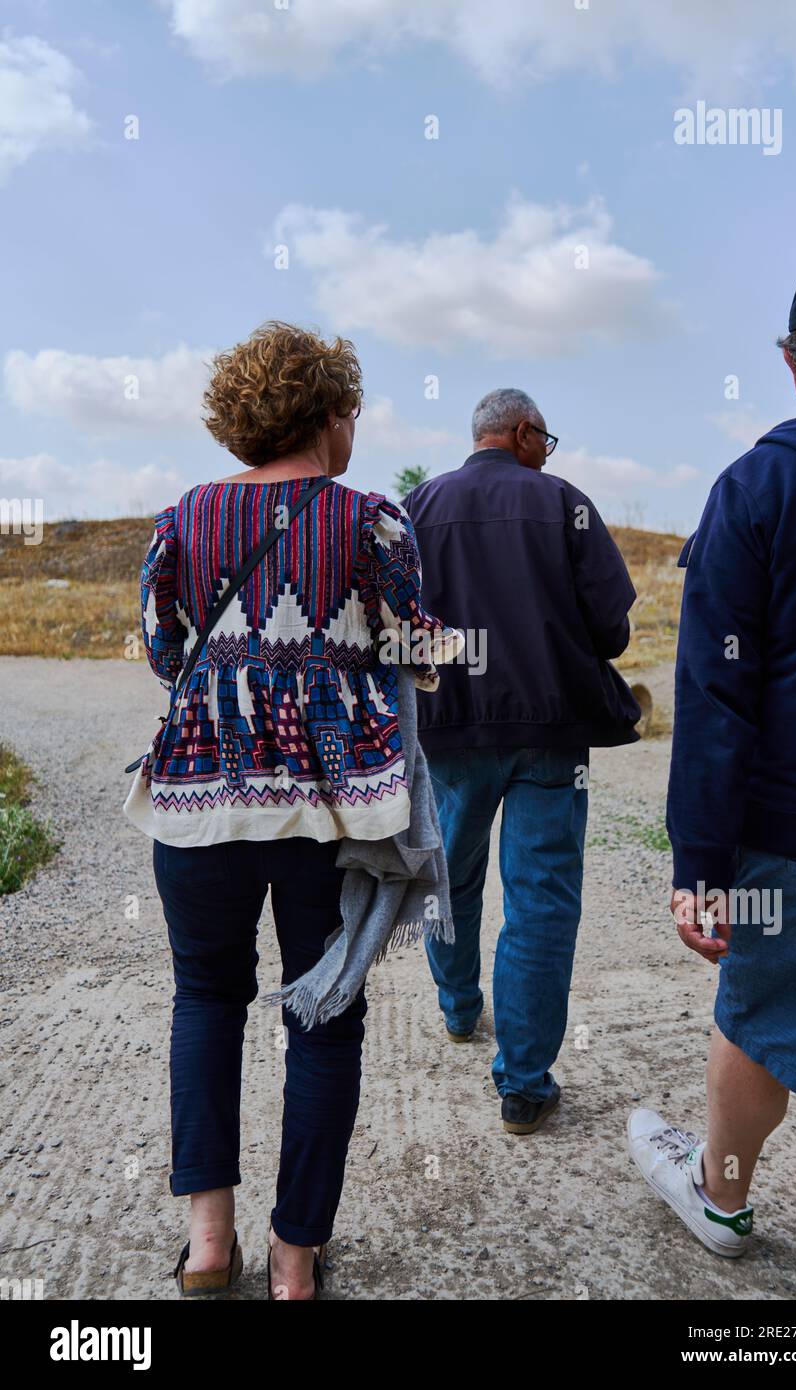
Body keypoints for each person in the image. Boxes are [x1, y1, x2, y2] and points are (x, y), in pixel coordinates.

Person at [123, 321, 461, 1298]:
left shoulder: (182, 517)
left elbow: (162, 647)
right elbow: (418, 651)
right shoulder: (369, 520)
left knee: (205, 1000)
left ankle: (209, 1244)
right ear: (328, 413)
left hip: (197, 811)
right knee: (325, 1022)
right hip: (329, 819)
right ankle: (296, 1260)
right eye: (351, 407)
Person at [629, 248, 796, 1257]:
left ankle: (719, 1197)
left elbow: (714, 697)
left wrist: (700, 864)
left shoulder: (760, 482)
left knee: (758, 1014)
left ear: (792, 366)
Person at [404, 388, 641, 1134]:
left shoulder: (416, 508)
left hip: (448, 730)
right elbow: (611, 630)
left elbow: (388, 626)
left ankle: (459, 1008)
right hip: (551, 732)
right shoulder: (564, 503)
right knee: (541, 900)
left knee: (449, 873)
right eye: (547, 438)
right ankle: (525, 1085)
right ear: (524, 431)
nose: (548, 451)